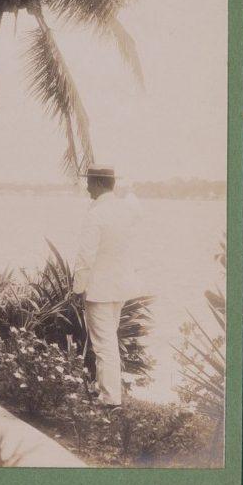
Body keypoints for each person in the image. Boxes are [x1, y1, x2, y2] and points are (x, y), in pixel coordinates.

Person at [72, 164, 142, 409]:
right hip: (120, 288)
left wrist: (78, 289)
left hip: (100, 289)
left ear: (99, 183)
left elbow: (85, 257)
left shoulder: (96, 214)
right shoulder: (126, 210)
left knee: (104, 344)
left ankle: (110, 398)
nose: (87, 187)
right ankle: (106, 390)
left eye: (90, 182)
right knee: (108, 340)